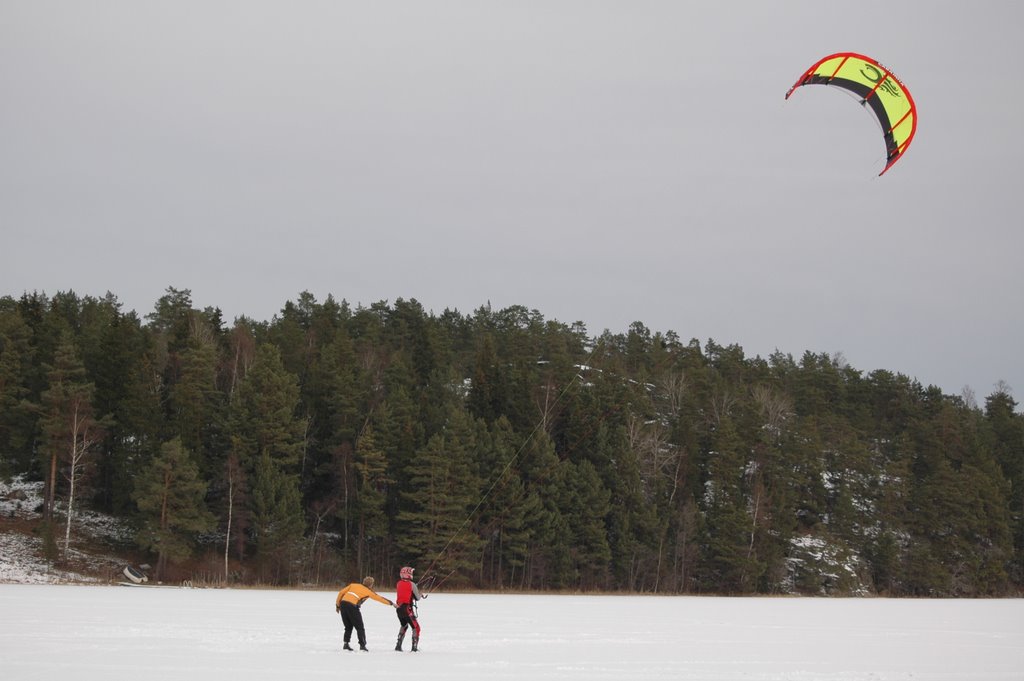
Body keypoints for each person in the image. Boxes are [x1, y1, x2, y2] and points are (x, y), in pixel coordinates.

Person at [335, 576, 395, 651]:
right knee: (360, 627)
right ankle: (362, 646)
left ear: (363, 582)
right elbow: (380, 598)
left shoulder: (353, 585)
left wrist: (337, 605)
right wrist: (391, 603)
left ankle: (346, 644)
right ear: (371, 585)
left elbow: (341, 593)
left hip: (343, 604)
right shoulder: (368, 591)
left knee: (348, 626)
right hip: (352, 606)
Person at [394, 566, 425, 652]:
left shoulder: (398, 583)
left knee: (404, 625)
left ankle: (398, 646)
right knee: (416, 627)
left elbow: (405, 594)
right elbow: (417, 598)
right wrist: (420, 594)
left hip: (399, 609)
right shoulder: (412, 584)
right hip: (407, 609)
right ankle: (414, 648)